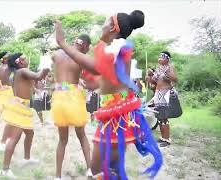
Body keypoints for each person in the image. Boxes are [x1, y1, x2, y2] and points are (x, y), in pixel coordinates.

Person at [55, 10, 163, 179]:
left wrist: (62, 43)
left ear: (112, 27)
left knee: (98, 168)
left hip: (116, 119)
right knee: (112, 167)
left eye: (104, 23)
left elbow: (94, 66)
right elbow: (105, 81)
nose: (102, 27)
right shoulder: (116, 49)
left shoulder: (117, 46)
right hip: (116, 113)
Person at [1, 53, 49, 179]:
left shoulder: (19, 73)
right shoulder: (22, 71)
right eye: (24, 57)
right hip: (20, 108)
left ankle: (27, 158)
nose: (27, 59)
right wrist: (46, 63)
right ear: (20, 62)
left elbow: (36, 82)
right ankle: (5, 169)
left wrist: (39, 85)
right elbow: (39, 75)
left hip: (22, 107)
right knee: (14, 139)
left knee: (30, 133)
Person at [51, 34, 93, 179]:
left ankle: (57, 176)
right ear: (85, 45)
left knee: (62, 140)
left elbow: (57, 66)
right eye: (88, 47)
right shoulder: (80, 57)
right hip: (74, 97)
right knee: (81, 135)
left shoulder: (57, 53)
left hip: (58, 97)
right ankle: (90, 170)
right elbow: (90, 79)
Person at [147, 51, 178, 147]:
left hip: (165, 92)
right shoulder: (159, 68)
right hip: (158, 93)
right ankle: (163, 138)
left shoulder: (169, 67)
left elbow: (175, 79)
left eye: (162, 56)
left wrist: (166, 73)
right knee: (160, 116)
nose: (160, 57)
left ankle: (167, 139)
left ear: (167, 58)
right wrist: (150, 75)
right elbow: (154, 82)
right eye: (159, 55)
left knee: (163, 116)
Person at [0, 51, 15, 151]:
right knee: (10, 119)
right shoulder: (7, 68)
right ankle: (3, 142)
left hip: (5, 93)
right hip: (8, 94)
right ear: (2, 59)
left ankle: (6, 140)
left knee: (11, 119)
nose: (10, 57)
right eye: (7, 56)